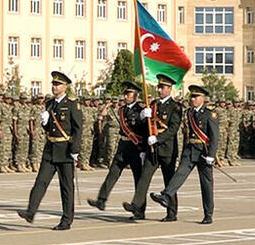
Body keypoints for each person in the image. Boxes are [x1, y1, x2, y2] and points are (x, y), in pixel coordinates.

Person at [16, 71, 82, 230]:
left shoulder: (72, 103)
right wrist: (44, 122)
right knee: (40, 182)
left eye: (57, 84)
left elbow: (78, 129)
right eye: (53, 84)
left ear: (65, 86)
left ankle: (66, 220)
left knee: (66, 188)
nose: (54, 86)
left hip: (65, 150)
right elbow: (49, 127)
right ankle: (30, 212)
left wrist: (75, 150)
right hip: (51, 148)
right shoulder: (50, 104)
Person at [151, 84, 220, 225]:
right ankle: (166, 195)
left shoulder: (210, 114)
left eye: (196, 97)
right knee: (179, 175)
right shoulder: (189, 113)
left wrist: (212, 156)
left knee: (206, 184)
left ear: (203, 98)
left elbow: (214, 136)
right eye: (192, 97)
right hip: (189, 150)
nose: (193, 99)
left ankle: (208, 214)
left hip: (203, 152)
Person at [123, 74, 183, 221]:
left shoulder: (175, 106)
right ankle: (136, 205)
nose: (160, 90)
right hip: (151, 148)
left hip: (167, 147)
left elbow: (174, 128)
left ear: (170, 89)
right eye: (159, 87)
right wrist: (143, 117)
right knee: (144, 177)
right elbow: (146, 128)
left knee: (168, 180)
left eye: (163, 87)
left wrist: (158, 138)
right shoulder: (153, 105)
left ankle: (171, 212)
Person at [87, 81, 150, 213]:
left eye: (129, 93)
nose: (126, 96)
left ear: (135, 95)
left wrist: (144, 150)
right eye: (125, 93)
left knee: (138, 180)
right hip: (123, 146)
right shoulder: (122, 110)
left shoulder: (141, 110)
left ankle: (139, 209)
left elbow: (145, 131)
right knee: (112, 173)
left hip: (136, 148)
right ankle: (101, 200)